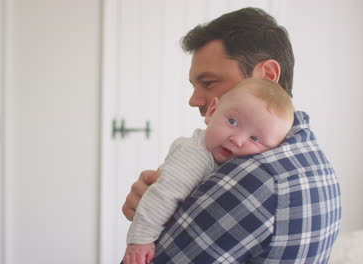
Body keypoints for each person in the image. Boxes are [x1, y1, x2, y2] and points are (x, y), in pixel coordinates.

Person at [122, 7, 342, 263]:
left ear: (268, 76)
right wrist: (161, 207)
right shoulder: (312, 159)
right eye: (194, 85)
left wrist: (149, 228)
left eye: (209, 83)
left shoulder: (253, 178)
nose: (194, 100)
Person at [123, 78, 295, 264]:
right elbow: (163, 196)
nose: (237, 140)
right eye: (232, 122)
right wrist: (140, 241)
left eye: (254, 138)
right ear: (212, 112)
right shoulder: (196, 156)